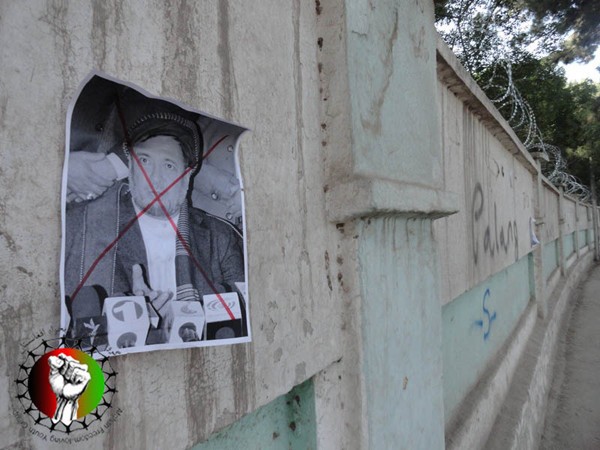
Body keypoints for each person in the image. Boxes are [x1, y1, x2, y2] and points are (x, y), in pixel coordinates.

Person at [64, 112, 245, 346]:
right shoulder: (83, 227)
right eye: (145, 161)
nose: (155, 179)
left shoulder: (221, 236)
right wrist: (131, 322)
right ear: (130, 168)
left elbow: (242, 316)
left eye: (168, 165)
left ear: (186, 177)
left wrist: (183, 315)